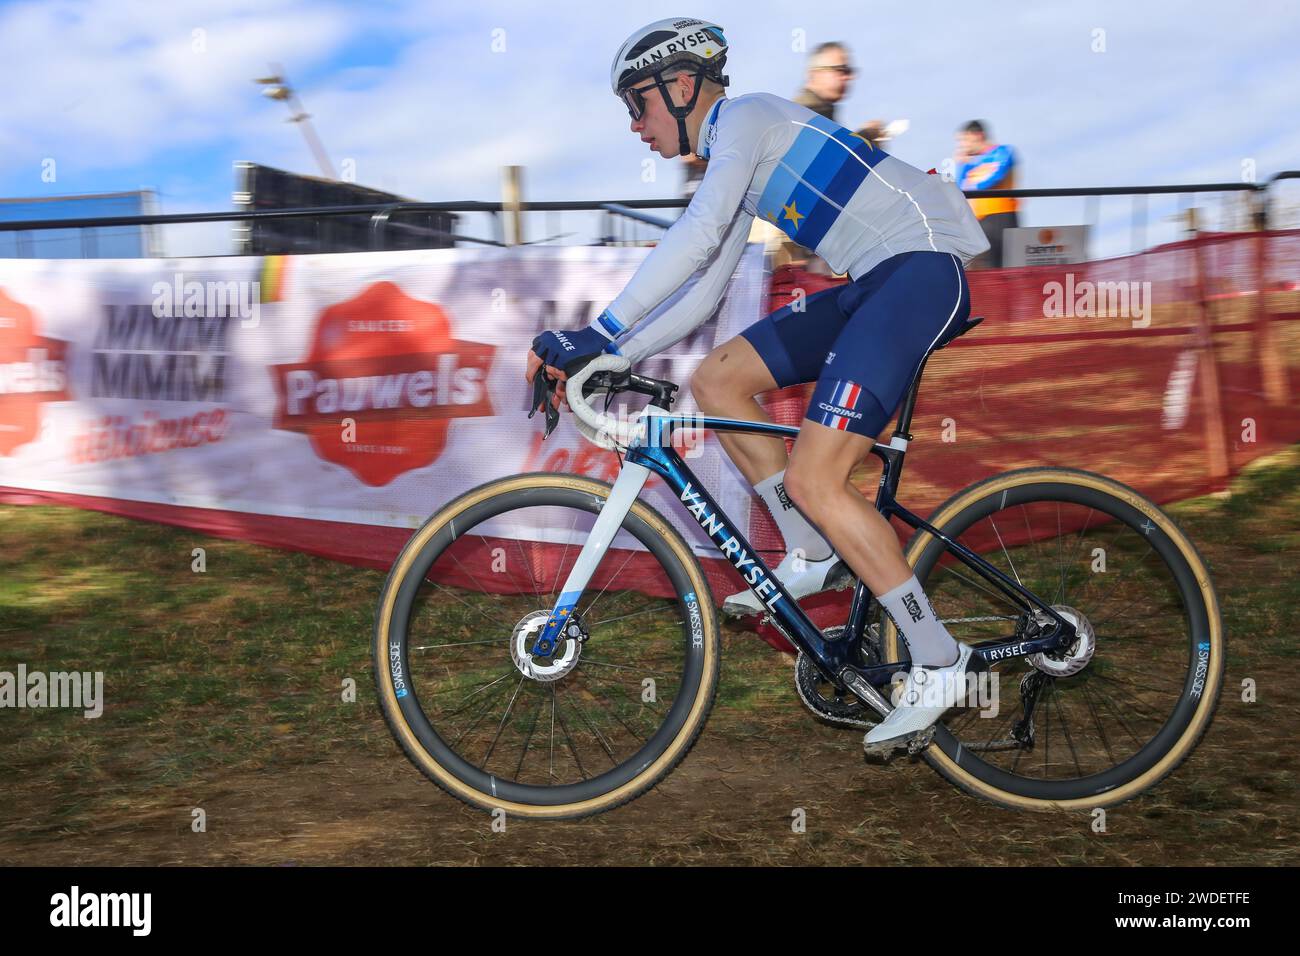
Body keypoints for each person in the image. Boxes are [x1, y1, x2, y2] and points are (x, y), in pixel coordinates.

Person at [525, 18, 990, 753]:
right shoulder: (733, 162)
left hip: (918, 271)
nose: (635, 128)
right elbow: (705, 294)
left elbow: (698, 232)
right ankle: (810, 552)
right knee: (719, 380)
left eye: (635, 107)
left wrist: (601, 330)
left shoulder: (745, 117)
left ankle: (941, 659)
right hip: (872, 281)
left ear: (680, 86)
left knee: (818, 478)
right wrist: (614, 357)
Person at [954, 120, 1019, 268]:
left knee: (1008, 267)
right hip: (980, 222)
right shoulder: (970, 163)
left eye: (964, 140)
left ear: (977, 135)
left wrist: (973, 184)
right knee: (983, 268)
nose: (962, 145)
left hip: (1003, 216)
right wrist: (962, 164)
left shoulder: (1003, 151)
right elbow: (959, 190)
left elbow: (995, 176)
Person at [793, 41, 855, 122]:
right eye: (840, 70)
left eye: (849, 71)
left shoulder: (818, 115)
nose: (848, 77)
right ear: (814, 74)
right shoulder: (801, 116)